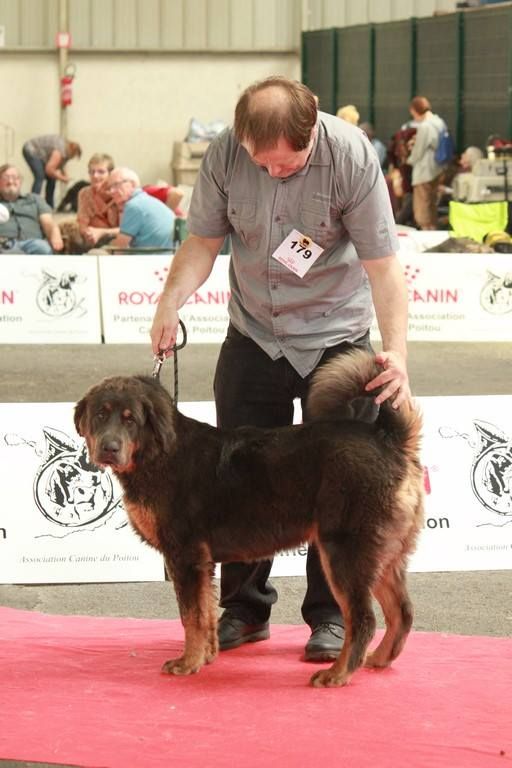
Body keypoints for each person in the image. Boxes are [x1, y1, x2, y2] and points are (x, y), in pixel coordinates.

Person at [150, 76, 410, 662]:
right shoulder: (224, 154)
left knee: (339, 489)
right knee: (235, 477)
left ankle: (331, 619)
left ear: (312, 128)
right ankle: (244, 609)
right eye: (259, 163)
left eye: (285, 167)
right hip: (254, 334)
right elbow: (201, 243)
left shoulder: (352, 158)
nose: (272, 175)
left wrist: (397, 355)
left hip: (335, 335)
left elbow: (384, 267)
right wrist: (170, 301)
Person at [0, 163, 63, 254]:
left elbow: (48, 222)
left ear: (20, 181)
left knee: (43, 248)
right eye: (5, 178)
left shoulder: (34, 199)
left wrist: (55, 233)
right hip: (4, 244)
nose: (11, 181)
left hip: (33, 243)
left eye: (15, 177)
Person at [107, 167, 175, 250]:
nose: (112, 191)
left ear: (132, 184)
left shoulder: (133, 205)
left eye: (116, 185)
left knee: (95, 253)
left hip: (150, 258)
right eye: (110, 187)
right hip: (168, 256)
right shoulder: (147, 200)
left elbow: (119, 248)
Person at [406, 96, 446, 230]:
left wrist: (408, 160)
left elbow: (418, 151)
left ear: (415, 110)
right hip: (438, 167)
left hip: (424, 170)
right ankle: (432, 229)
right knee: (432, 204)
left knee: (422, 206)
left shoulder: (425, 126)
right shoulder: (439, 122)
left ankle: (426, 231)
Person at [22, 134, 82, 209]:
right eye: (73, 156)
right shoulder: (59, 151)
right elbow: (49, 170)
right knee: (39, 176)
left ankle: (49, 206)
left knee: (52, 179)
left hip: (41, 155)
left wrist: (65, 175)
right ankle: (32, 204)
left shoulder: (65, 148)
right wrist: (62, 178)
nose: (72, 158)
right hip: (31, 150)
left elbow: (60, 164)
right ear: (71, 151)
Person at [77, 153, 120, 248]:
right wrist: (90, 234)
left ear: (111, 174)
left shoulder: (120, 193)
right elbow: (82, 226)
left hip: (120, 242)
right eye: (92, 172)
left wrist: (102, 232)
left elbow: (127, 230)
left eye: (101, 172)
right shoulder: (84, 193)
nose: (95, 176)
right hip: (93, 241)